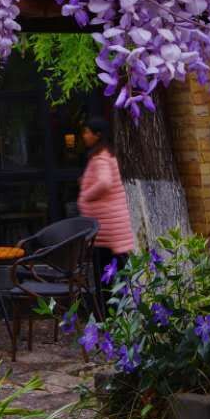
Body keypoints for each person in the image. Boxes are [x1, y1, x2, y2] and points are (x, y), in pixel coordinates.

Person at [77, 117, 134, 292]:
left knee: (107, 276)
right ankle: (119, 313)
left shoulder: (100, 158)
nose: (84, 135)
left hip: (107, 231)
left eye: (87, 132)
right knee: (118, 274)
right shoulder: (107, 154)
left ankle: (109, 315)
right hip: (113, 228)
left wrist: (85, 195)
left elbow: (105, 182)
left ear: (97, 135)